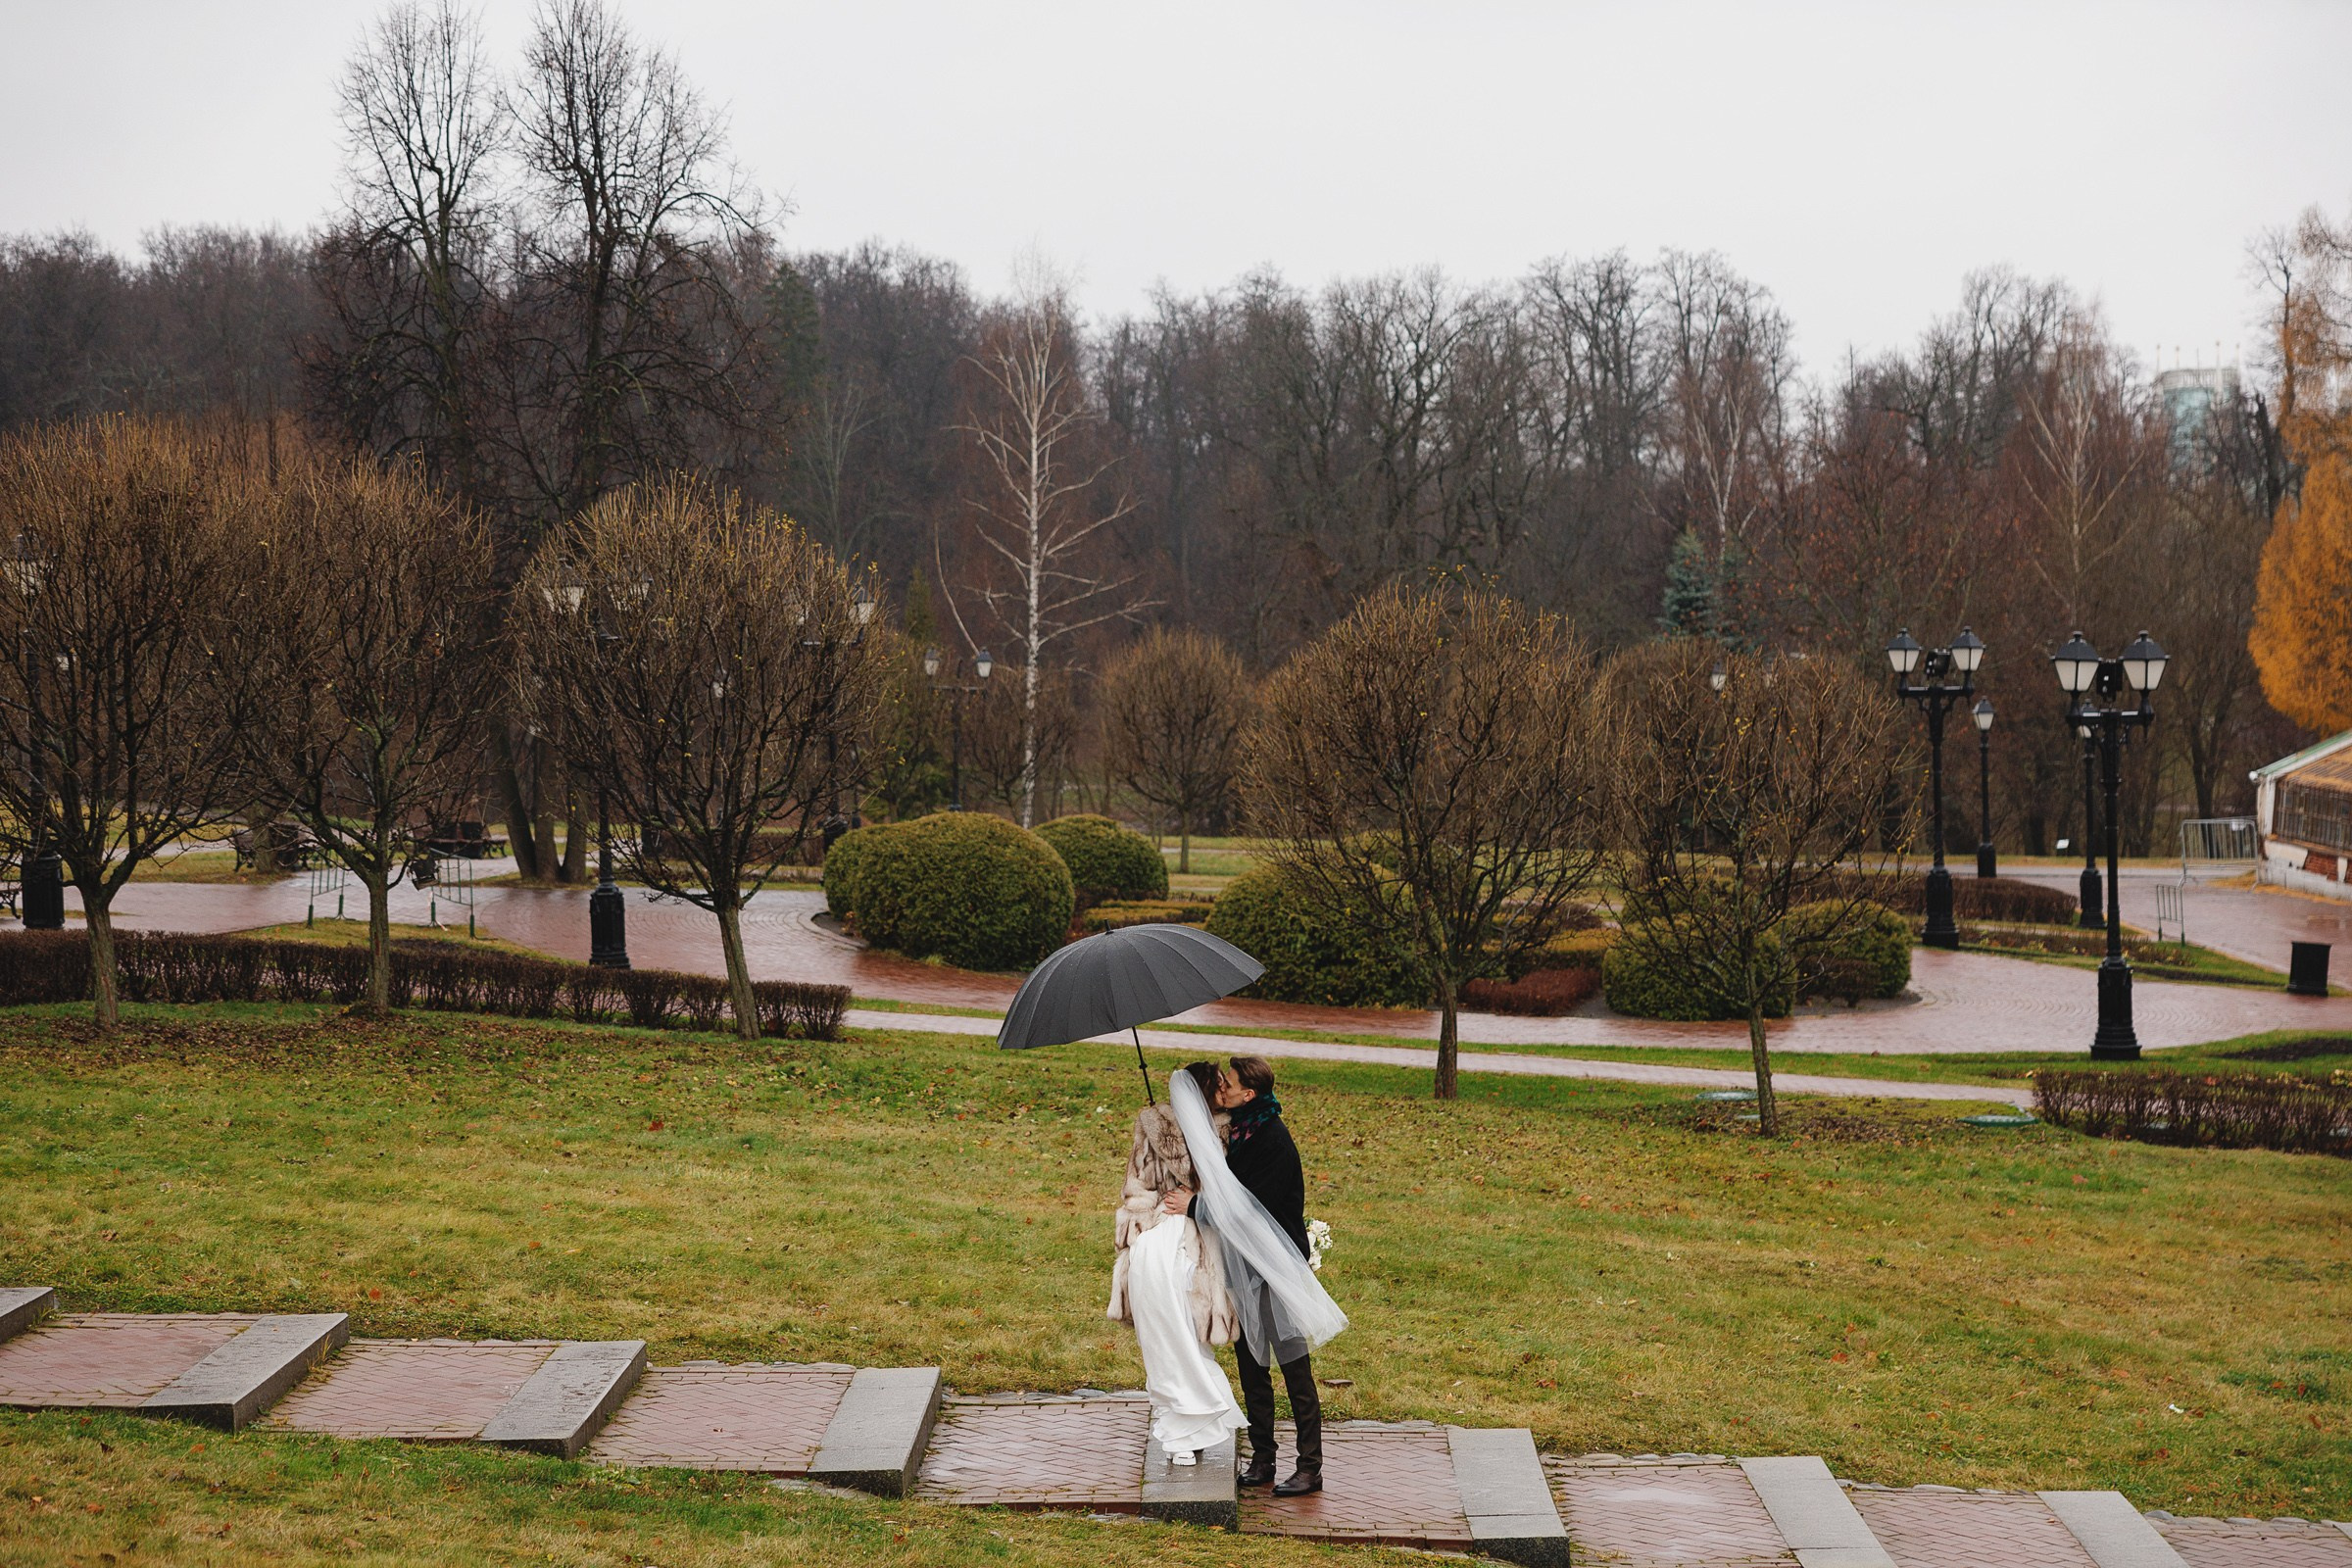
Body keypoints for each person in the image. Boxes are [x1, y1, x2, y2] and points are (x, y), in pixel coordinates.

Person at [1165, 1054, 1343, 1497]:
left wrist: (1194, 1207)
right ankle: (1263, 1458)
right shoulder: (1241, 1130)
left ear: (1249, 1094)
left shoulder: (1271, 1139)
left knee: (1293, 1365)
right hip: (1243, 1262)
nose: (1222, 1086)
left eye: (1230, 1082)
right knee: (1251, 1361)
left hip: (1274, 1264)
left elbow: (1246, 1210)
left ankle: (1310, 1466)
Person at [1106, 1063, 1246, 1465]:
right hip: (1160, 1227)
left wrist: (1194, 1200)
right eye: (1218, 1086)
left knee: (1189, 1319)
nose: (1224, 1091)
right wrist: (1144, 1228)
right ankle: (1180, 1423)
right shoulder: (1151, 1125)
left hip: (1202, 1226)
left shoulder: (1228, 1128)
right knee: (1163, 1319)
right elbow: (1137, 1187)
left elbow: (1227, 1188)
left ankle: (1194, 1421)